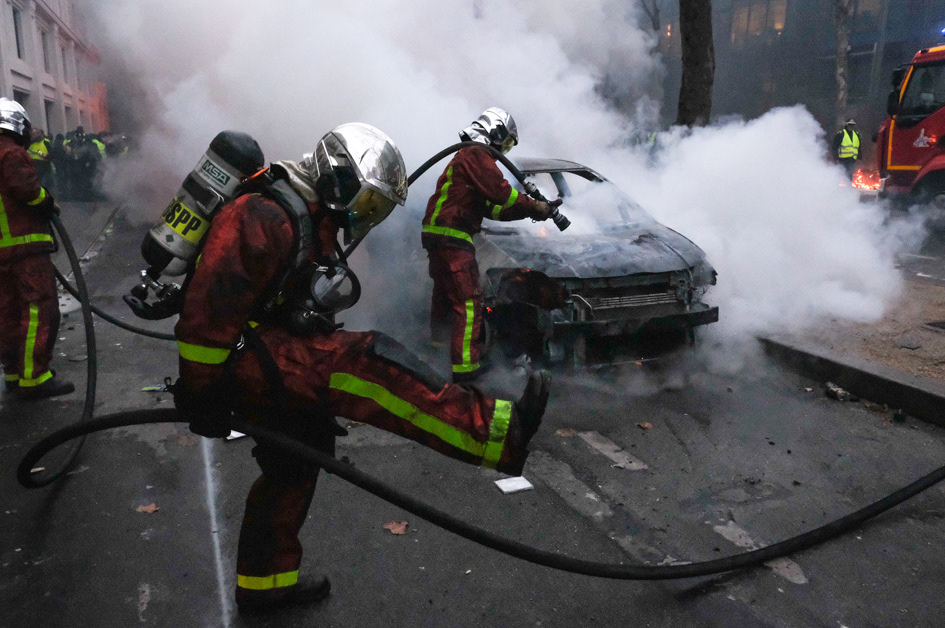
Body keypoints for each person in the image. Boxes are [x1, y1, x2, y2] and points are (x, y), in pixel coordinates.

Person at [171, 122, 551, 615]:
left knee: (297, 459)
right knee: (365, 364)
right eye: (368, 203)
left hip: (263, 347)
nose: (366, 217)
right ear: (339, 177)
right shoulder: (262, 214)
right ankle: (497, 432)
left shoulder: (312, 213)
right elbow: (204, 319)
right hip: (239, 360)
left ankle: (264, 585)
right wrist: (204, 396)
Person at [421, 108, 559, 382]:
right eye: (506, 141)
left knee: (445, 299)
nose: (504, 150)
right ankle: (466, 371)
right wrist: (535, 205)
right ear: (494, 132)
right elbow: (502, 194)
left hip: (439, 233)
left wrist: (532, 211)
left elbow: (493, 208)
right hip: (453, 234)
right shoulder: (476, 154)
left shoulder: (467, 156)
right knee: (469, 302)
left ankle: (435, 352)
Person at [0, 98, 74, 399]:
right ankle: (35, 377)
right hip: (23, 246)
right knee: (38, 310)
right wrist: (47, 202)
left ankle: (15, 374)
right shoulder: (10, 151)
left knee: (7, 313)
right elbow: (26, 189)